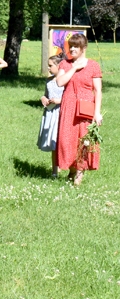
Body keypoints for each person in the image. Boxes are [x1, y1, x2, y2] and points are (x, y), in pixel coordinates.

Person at [55, 33, 103, 186]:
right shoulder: (65, 64)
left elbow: (98, 90)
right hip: (68, 106)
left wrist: (97, 113)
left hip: (86, 107)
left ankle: (80, 171)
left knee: (84, 140)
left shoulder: (93, 65)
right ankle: (72, 168)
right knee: (66, 140)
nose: (73, 49)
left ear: (84, 48)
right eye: (71, 46)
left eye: (76, 46)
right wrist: (74, 67)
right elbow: (60, 82)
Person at [38, 55, 64, 177]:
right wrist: (43, 98)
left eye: (50, 65)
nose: (48, 68)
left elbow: (69, 98)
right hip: (50, 113)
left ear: (59, 66)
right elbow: (45, 94)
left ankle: (65, 166)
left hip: (61, 113)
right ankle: (55, 171)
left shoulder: (65, 81)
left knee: (60, 141)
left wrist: (59, 101)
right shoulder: (49, 80)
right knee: (53, 142)